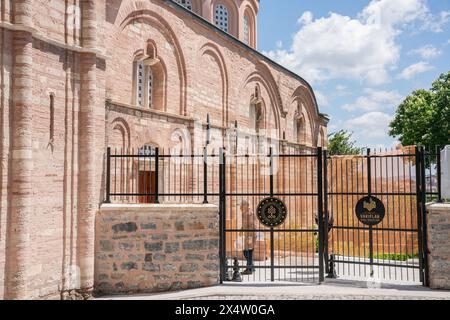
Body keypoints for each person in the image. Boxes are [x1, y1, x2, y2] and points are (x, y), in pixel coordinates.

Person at [240, 200, 256, 275]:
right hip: (247, 234)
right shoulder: (244, 213)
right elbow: (244, 224)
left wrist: (249, 233)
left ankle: (249, 268)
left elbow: (252, 224)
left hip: (250, 235)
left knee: (248, 251)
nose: (241, 206)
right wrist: (241, 229)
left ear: (246, 205)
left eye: (243, 205)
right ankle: (251, 266)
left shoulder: (250, 213)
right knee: (248, 251)